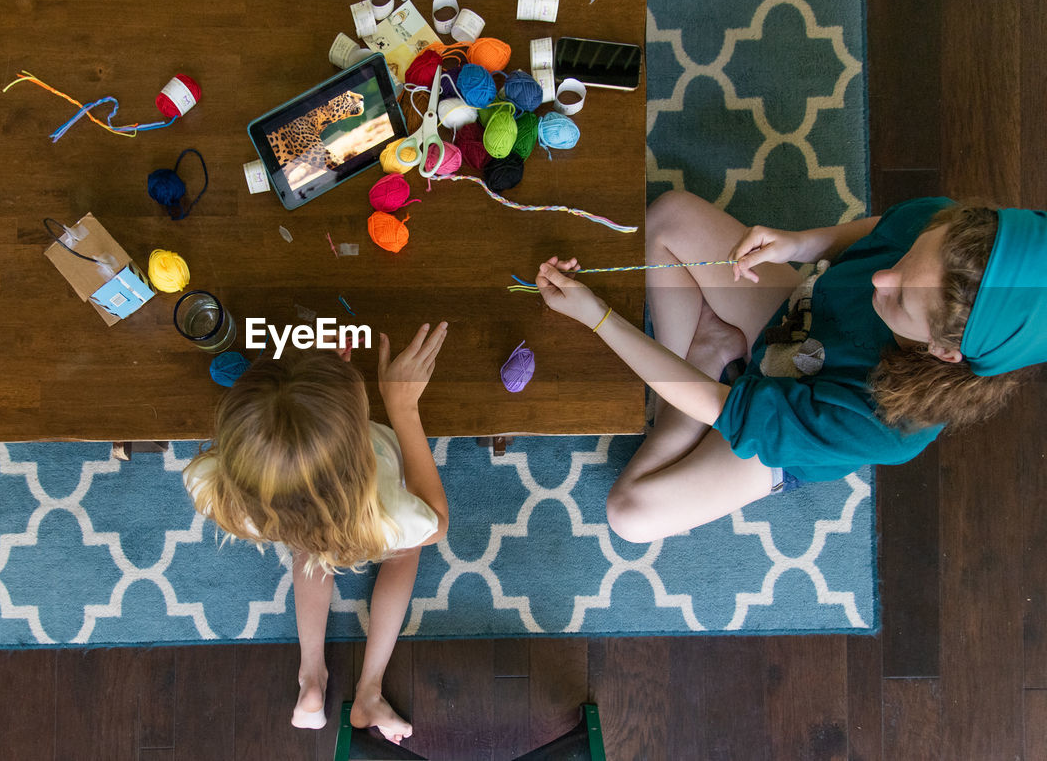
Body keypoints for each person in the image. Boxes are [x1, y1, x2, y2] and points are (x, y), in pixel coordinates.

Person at [536, 191, 1045, 543]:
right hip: (791, 318)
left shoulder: (888, 426)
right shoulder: (942, 223)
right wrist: (797, 244)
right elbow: (879, 231)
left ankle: (685, 386)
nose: (881, 280)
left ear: (944, 351)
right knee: (669, 216)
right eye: (909, 258)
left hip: (788, 433)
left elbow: (729, 409)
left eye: (903, 298)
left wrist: (597, 316)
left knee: (629, 514)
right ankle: (697, 359)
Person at [183, 323, 449, 743]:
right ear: (354, 439)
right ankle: (369, 690)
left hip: (286, 521)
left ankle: (311, 681)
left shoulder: (207, 482)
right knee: (407, 552)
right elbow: (436, 522)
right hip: (370, 523)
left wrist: (314, 379)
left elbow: (270, 435)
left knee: (308, 550)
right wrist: (402, 408)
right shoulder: (395, 513)